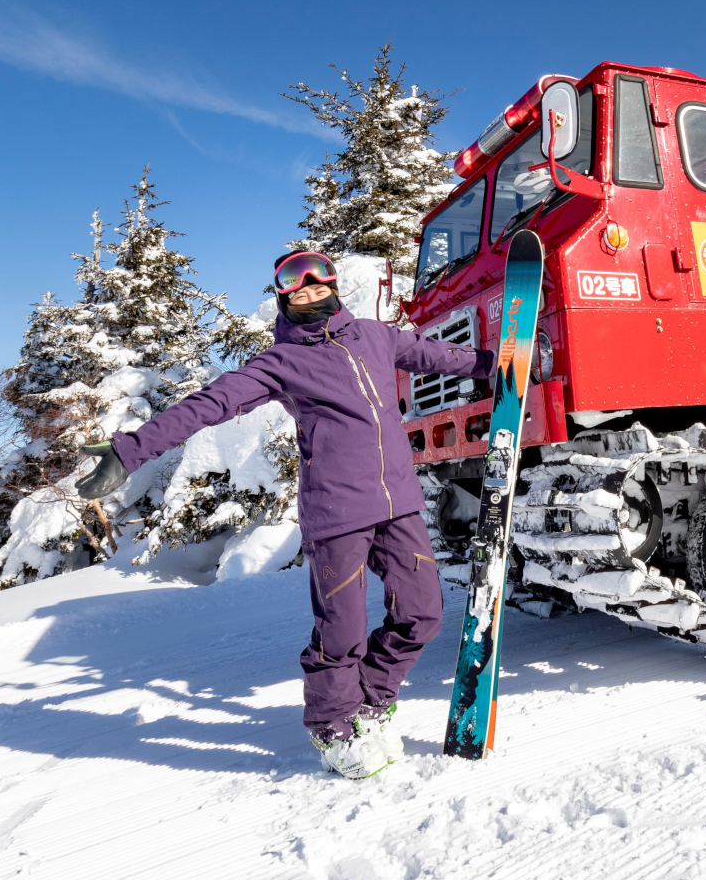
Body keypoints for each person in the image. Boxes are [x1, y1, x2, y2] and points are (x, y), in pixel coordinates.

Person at [75, 250, 495, 779]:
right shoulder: (279, 363)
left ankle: (371, 700)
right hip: (336, 511)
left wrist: (501, 363)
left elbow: (442, 357)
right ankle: (333, 725)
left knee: (423, 613)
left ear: (334, 286)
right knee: (341, 633)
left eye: (318, 281)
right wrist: (131, 449)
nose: (309, 290)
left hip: (399, 504)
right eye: (295, 284)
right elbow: (208, 404)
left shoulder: (375, 335)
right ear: (282, 294)